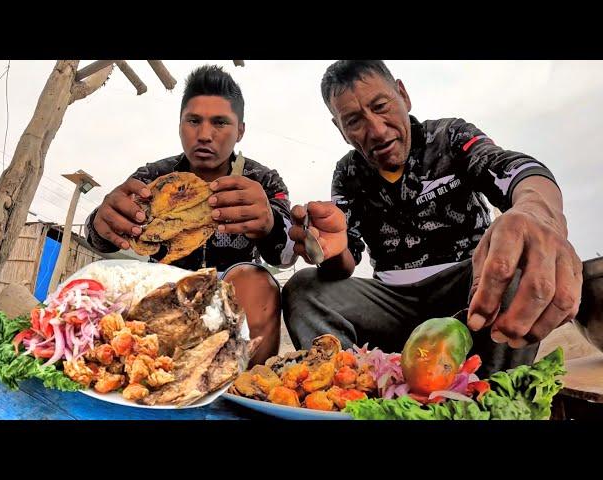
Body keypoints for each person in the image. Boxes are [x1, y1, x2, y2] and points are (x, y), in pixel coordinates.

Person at [283, 60, 583, 376]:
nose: (376, 130)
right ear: (340, 129)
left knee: (512, 262)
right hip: (390, 304)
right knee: (304, 288)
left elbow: (512, 168)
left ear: (403, 95)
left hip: (469, 296)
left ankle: (496, 395)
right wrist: (326, 249)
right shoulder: (347, 173)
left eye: (381, 106)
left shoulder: (449, 136)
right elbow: (345, 261)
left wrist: (538, 213)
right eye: (354, 120)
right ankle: (347, 392)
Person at [85, 65, 296, 365]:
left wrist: (271, 226)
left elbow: (286, 257)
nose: (205, 135)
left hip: (239, 300)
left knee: (257, 281)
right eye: (193, 121)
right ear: (180, 124)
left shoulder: (262, 181)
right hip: (165, 295)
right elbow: (98, 239)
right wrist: (100, 222)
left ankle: (250, 386)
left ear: (240, 131)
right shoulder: (154, 177)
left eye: (220, 122)